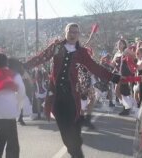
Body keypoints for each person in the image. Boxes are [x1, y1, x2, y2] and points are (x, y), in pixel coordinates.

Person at [24, 23, 120, 158]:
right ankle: (75, 145)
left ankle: (76, 152)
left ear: (78, 34)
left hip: (71, 95)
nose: (73, 34)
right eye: (70, 31)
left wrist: (112, 77)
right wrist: (24, 66)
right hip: (56, 94)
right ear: (66, 32)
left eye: (75, 32)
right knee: (64, 129)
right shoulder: (56, 47)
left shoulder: (82, 52)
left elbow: (94, 67)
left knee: (71, 134)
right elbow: (41, 57)